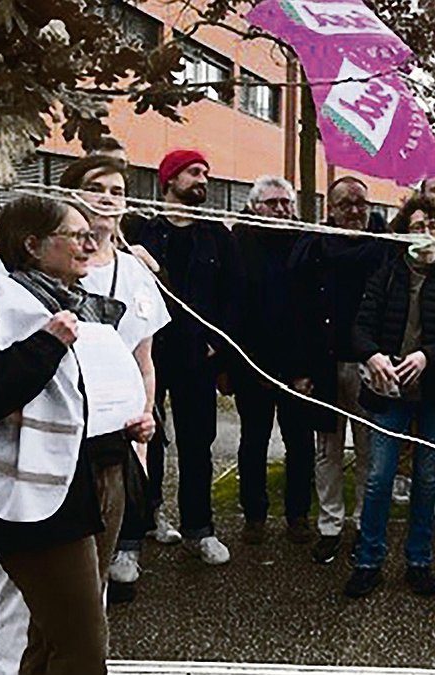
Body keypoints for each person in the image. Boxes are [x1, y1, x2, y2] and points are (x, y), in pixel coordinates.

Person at [0, 195, 154, 675]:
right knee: (81, 648)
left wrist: (132, 421)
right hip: (33, 500)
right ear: (33, 245)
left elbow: (82, 393)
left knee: (48, 639)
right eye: (77, 236)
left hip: (94, 476)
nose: (91, 244)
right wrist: (45, 345)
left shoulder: (77, 303)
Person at [55, 156, 172, 605]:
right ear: (71, 196)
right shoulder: (44, 265)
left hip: (115, 437)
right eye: (96, 186)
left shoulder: (136, 272)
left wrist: (143, 433)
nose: (107, 197)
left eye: (118, 191)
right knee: (57, 562)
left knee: (97, 564)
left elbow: (145, 362)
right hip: (59, 432)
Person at [344, 195, 435, 599]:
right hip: (388, 391)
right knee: (379, 477)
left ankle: (418, 561)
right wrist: (373, 354)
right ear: (403, 233)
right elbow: (359, 326)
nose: (425, 233)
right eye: (416, 226)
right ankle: (368, 561)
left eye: (432, 226)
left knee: (428, 478)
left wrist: (427, 356)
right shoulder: (386, 273)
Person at [130, 149, 243, 565]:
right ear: (169, 180)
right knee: (149, 437)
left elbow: (234, 296)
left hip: (198, 355)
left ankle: (201, 528)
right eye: (193, 172)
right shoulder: (142, 233)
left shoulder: (217, 236)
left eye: (205, 173)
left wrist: (219, 343)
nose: (203, 179)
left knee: (199, 443)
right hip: (150, 352)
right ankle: (149, 515)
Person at [287, 176, 392, 564]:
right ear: (330, 209)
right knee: (327, 451)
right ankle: (330, 526)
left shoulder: (384, 249)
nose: (354, 211)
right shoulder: (312, 250)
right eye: (345, 204)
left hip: (370, 365)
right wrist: (300, 368)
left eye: (361, 203)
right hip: (323, 365)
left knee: (369, 450)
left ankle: (365, 525)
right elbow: (297, 313)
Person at [231, 177, 317, 547]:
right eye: (273, 203)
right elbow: (232, 309)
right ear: (254, 206)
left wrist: (308, 368)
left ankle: (297, 515)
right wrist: (235, 366)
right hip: (252, 364)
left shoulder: (306, 243)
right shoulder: (238, 243)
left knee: (300, 445)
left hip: (298, 365)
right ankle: (254, 515)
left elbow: (314, 308)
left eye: (286, 203)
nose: (282, 209)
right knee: (253, 442)